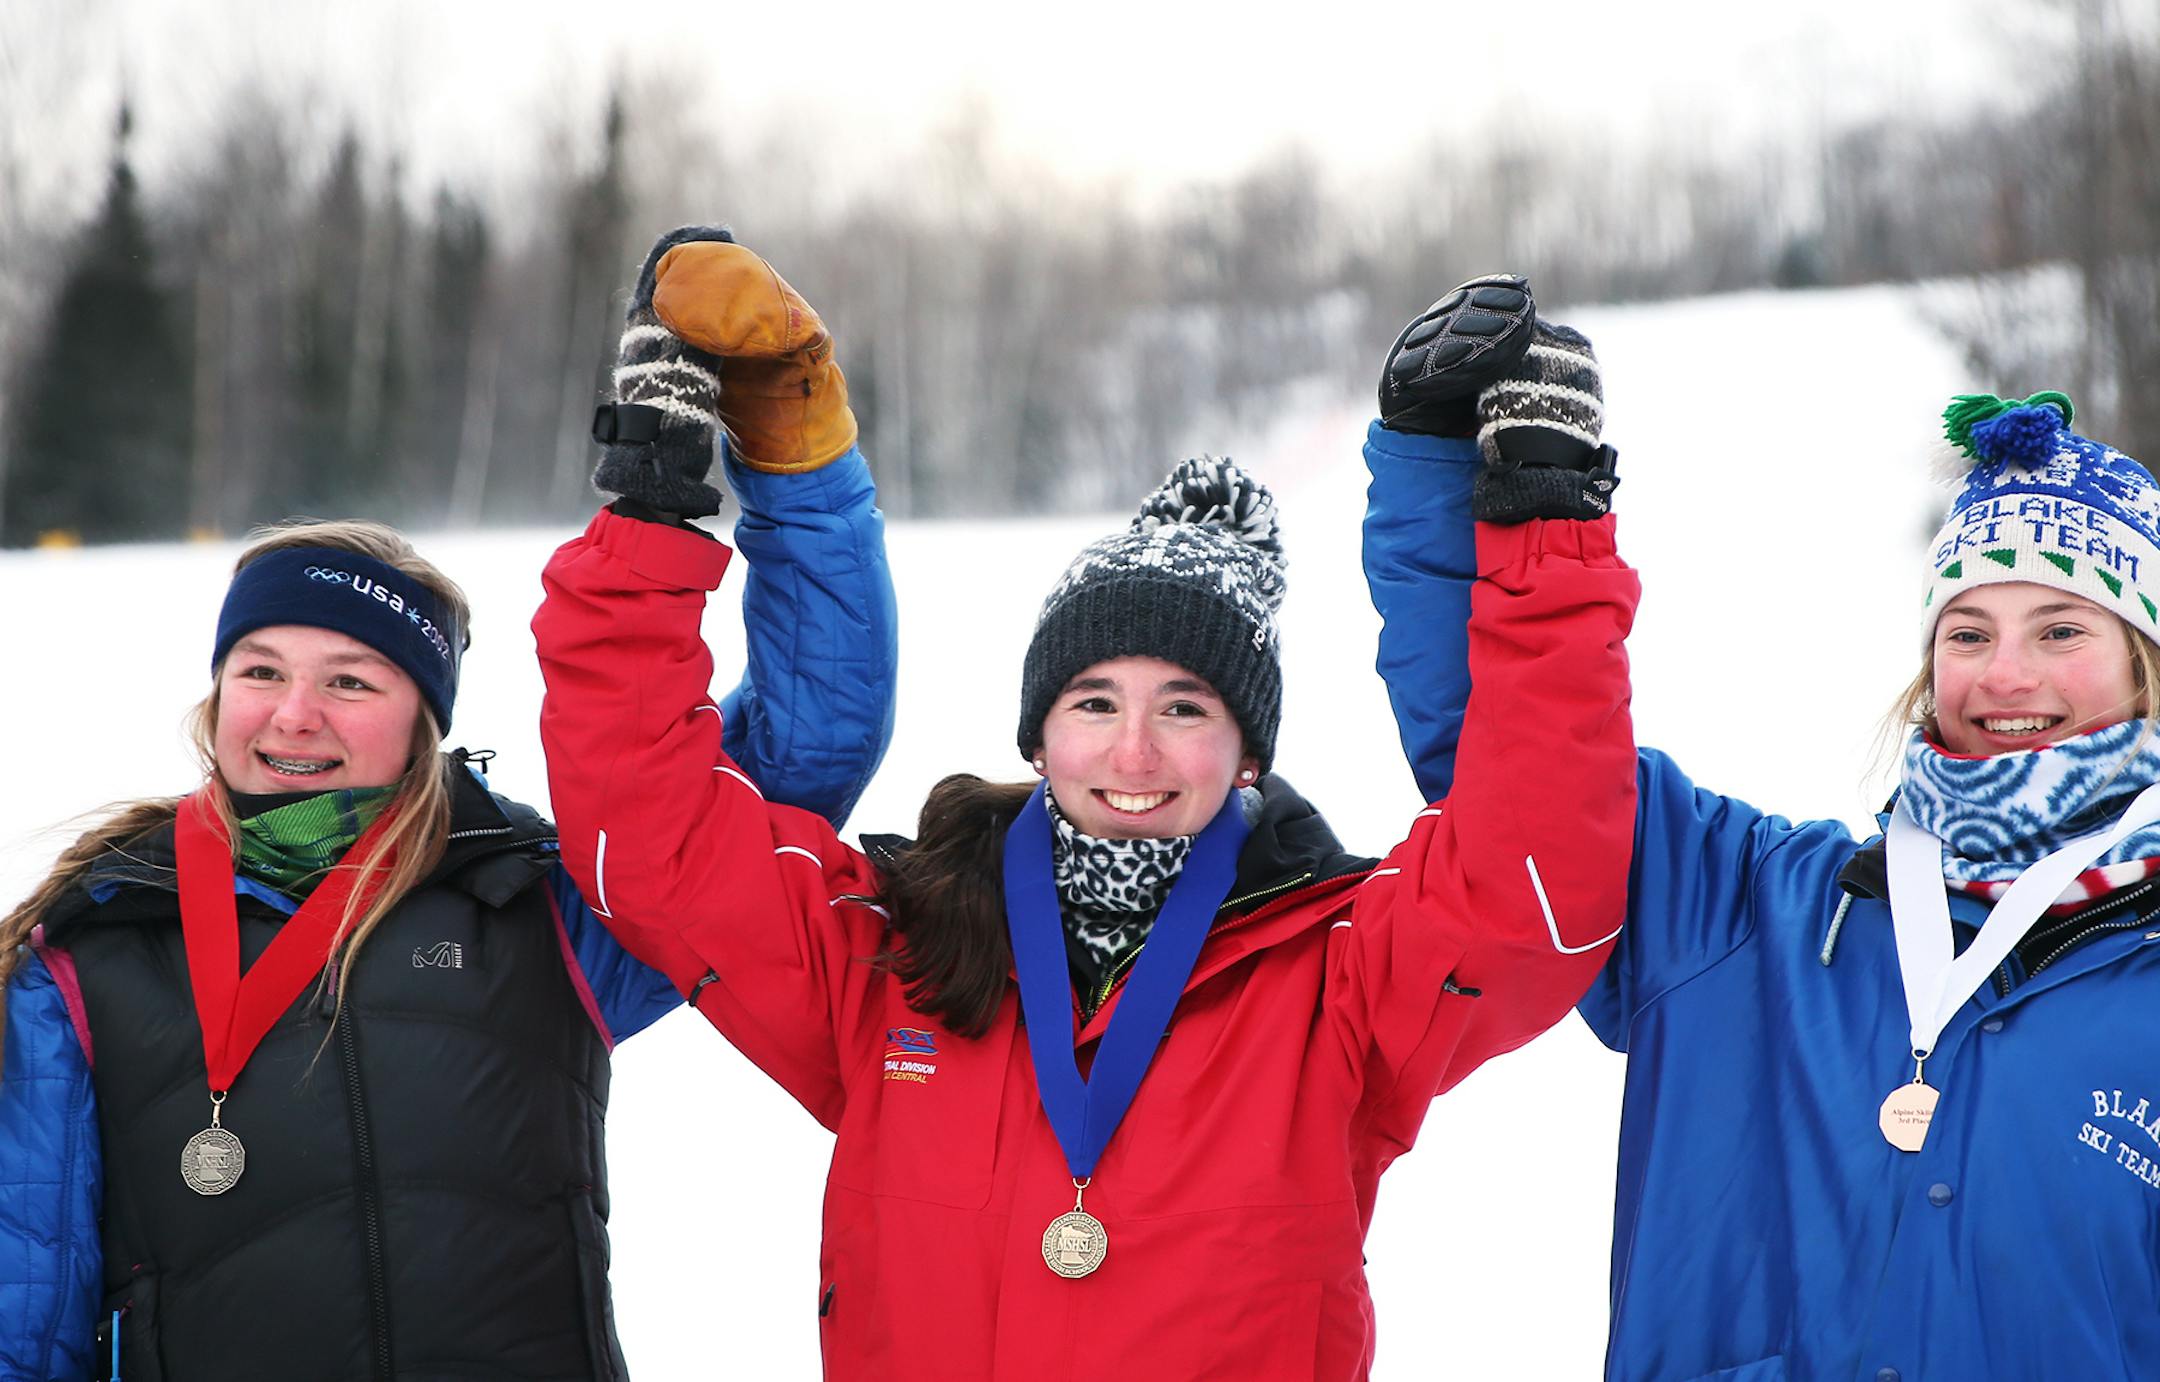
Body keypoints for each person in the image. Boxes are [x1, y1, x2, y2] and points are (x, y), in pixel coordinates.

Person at [531, 263, 1642, 1380]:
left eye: (1187, 708)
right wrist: (649, 513)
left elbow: (1533, 886)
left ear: (1249, 750)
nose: (1133, 753)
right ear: (1037, 732)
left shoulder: (1340, 975)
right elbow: (654, 837)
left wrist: (1547, 531)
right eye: (1094, 701)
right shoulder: (895, 951)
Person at [0, 226, 898, 1381]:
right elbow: (26, 1320)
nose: (292, 715)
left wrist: (795, 461)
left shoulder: (540, 908)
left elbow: (801, 754)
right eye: (261, 670)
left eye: (351, 680)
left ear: (424, 722)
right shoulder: (89, 949)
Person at [1365, 281, 2160, 1379]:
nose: (2005, 673)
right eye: (1967, 629)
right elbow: (1524, 782)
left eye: (2062, 626)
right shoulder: (1747, 912)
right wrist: (1456, 481)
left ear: (2144, 663)